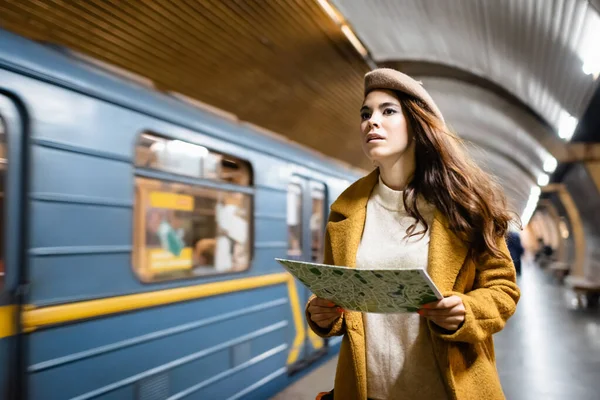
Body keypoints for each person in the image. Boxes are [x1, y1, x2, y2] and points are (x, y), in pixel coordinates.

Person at [306, 68, 520, 400]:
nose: (371, 122)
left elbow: (503, 288)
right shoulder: (346, 212)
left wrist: (466, 311)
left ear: (416, 124)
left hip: (449, 389)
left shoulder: (462, 204)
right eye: (366, 114)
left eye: (387, 111)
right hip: (369, 390)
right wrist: (322, 313)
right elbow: (338, 294)